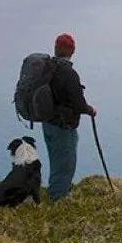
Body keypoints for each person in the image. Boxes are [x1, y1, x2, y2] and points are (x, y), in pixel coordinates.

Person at [42, 33, 96, 200]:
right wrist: (90, 110)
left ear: (56, 48)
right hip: (63, 125)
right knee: (65, 163)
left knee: (55, 158)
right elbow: (79, 104)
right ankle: (58, 198)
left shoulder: (47, 67)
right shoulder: (69, 73)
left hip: (47, 122)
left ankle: (56, 189)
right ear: (72, 51)